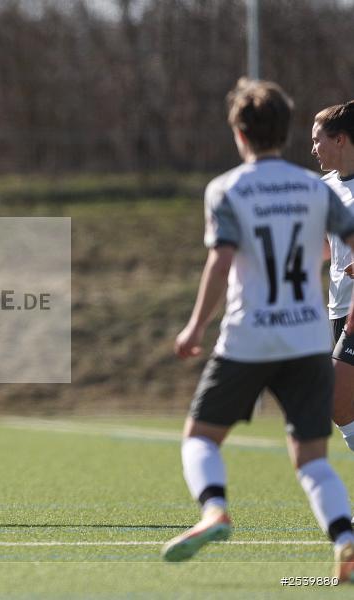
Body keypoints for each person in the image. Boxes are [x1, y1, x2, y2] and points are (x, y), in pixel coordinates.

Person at [164, 78, 354, 583]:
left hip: (249, 335)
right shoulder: (313, 189)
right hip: (309, 337)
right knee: (313, 458)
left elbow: (220, 264)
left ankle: (214, 510)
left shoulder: (227, 188)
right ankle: (345, 539)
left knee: (200, 437)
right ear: (287, 131)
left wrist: (193, 327)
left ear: (239, 134)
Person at [312, 102, 354, 451]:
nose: (313, 149)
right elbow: (327, 249)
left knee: (336, 400)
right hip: (337, 308)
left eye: (318, 140)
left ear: (340, 140)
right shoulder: (324, 189)